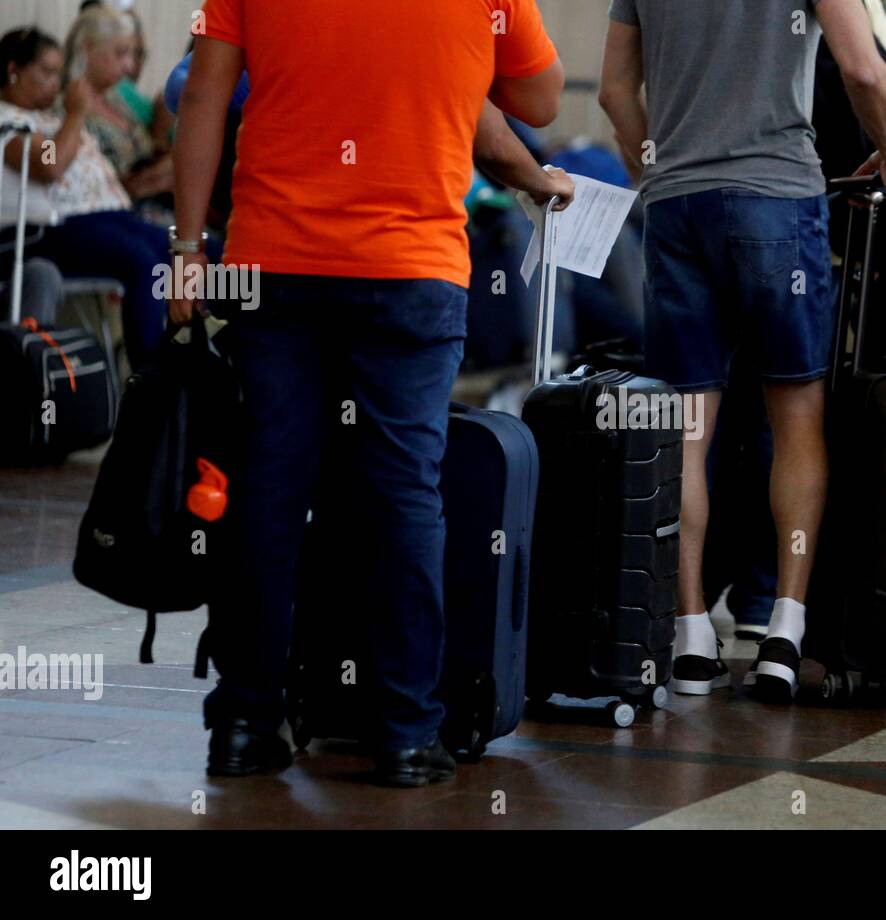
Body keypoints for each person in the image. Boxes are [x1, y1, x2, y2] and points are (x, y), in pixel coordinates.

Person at [169, 0, 568, 786]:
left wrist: (187, 246)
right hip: (409, 272)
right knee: (403, 496)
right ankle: (405, 733)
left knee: (269, 491)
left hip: (274, 266)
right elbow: (541, 99)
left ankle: (246, 723)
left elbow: (203, 95)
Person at [599, 0, 886, 702]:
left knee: (685, 430)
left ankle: (689, 635)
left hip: (678, 206)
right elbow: (862, 67)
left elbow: (616, 90)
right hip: (777, 197)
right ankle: (782, 630)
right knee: (797, 418)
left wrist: (657, 163)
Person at [0, 26, 210, 369]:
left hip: (107, 218)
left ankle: (213, 360)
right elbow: (49, 165)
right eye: (47, 72)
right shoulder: (8, 119)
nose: (57, 82)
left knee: (196, 252)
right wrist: (77, 114)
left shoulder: (46, 116)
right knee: (147, 263)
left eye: (58, 72)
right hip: (46, 234)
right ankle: (151, 378)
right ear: (13, 72)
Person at [67, 6, 173, 207]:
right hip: (110, 212)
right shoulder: (64, 108)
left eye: (133, 55)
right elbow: (52, 168)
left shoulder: (120, 101)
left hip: (150, 204)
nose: (130, 66)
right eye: (120, 53)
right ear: (88, 50)